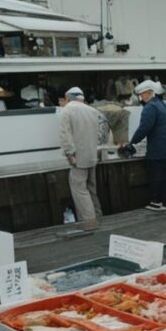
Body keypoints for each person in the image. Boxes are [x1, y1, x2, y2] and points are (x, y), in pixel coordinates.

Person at [58, 87, 104, 227]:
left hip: (78, 157)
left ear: (67, 98)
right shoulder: (93, 111)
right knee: (91, 189)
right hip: (92, 155)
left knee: (80, 191)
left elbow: (65, 135)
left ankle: (89, 222)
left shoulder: (67, 111)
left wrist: (70, 153)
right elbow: (101, 134)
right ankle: (98, 216)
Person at [127, 81, 166, 212]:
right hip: (165, 148)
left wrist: (132, 142)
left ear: (148, 94)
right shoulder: (161, 105)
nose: (141, 98)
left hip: (156, 149)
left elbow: (144, 128)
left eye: (141, 95)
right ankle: (163, 202)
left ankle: (156, 202)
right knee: (163, 177)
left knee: (155, 176)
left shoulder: (150, 107)